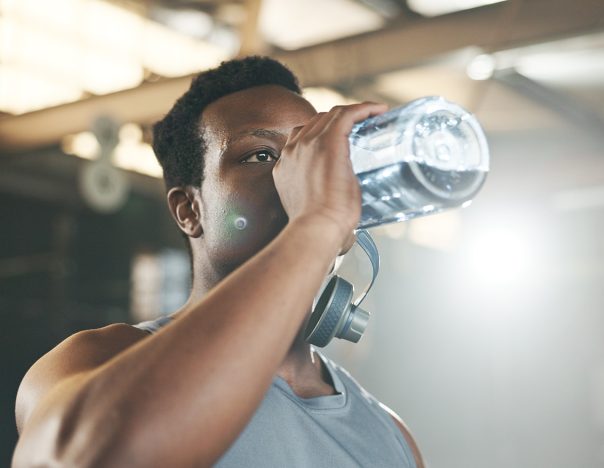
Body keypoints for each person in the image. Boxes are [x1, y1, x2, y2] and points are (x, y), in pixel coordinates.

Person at [12, 56, 424, 467]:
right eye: (261, 156)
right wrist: (315, 222)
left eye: (309, 154)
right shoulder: (95, 360)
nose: (298, 177)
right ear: (190, 210)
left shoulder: (390, 434)